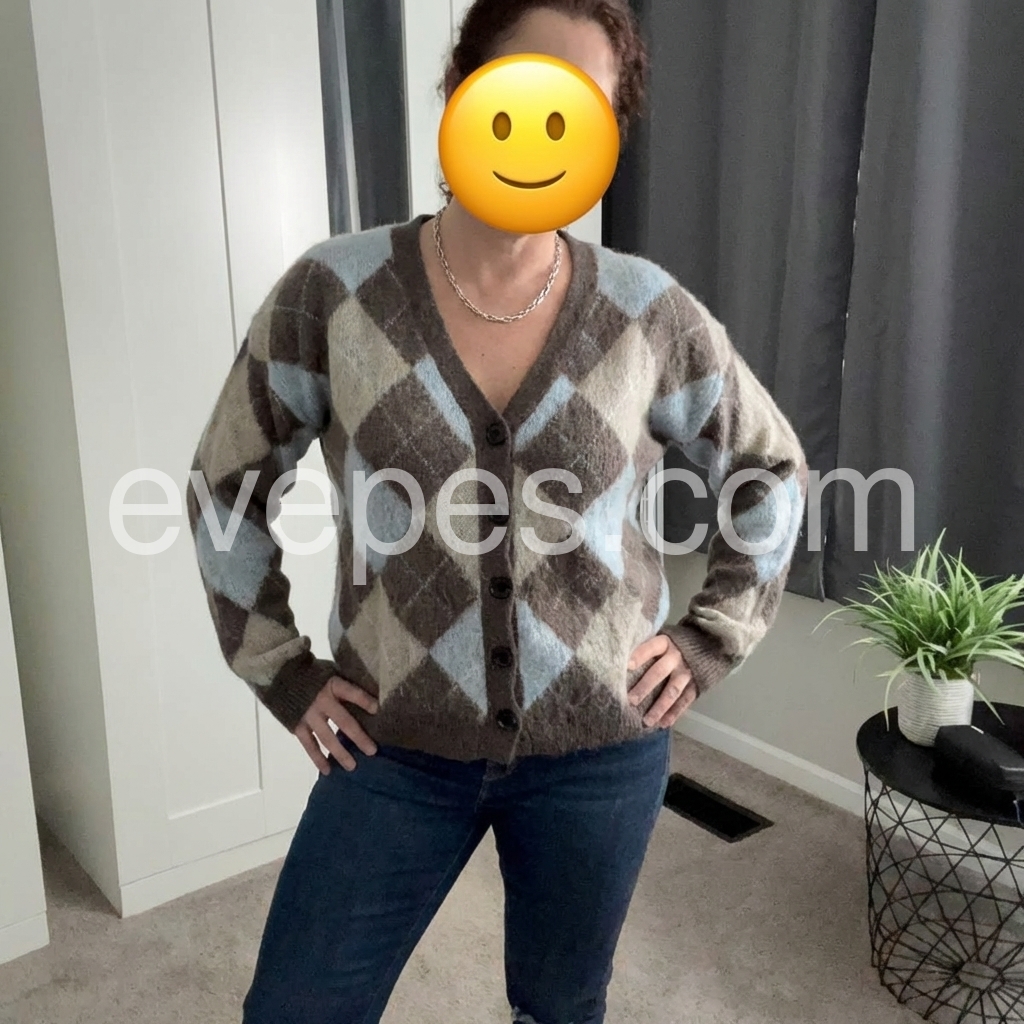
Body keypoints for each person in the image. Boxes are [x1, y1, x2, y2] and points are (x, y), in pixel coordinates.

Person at [186, 1, 808, 1021]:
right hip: (391, 745)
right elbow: (226, 483)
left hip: (601, 752)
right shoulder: (333, 294)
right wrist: (282, 669)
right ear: (461, 89)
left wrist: (711, 637)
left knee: (561, 1007)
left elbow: (767, 467)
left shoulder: (646, 309)